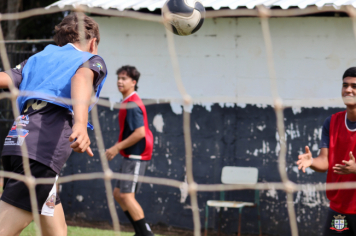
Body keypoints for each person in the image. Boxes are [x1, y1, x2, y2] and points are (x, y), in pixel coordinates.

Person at [0, 13, 107, 236]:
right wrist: (80, 123)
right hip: (42, 149)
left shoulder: (38, 58)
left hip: (17, 143)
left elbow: (5, 79)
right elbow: (81, 78)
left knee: (56, 231)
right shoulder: (92, 59)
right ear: (93, 42)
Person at [297, 67, 356, 235]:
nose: (348, 90)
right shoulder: (331, 122)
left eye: (354, 86)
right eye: (345, 85)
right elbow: (325, 162)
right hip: (339, 210)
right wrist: (312, 162)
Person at [105, 65, 154, 236]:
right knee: (119, 194)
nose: (119, 81)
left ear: (133, 82)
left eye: (124, 78)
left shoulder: (132, 103)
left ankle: (146, 234)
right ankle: (140, 232)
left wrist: (116, 147)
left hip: (136, 156)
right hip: (131, 156)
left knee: (126, 196)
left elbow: (140, 133)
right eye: (118, 78)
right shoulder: (127, 101)